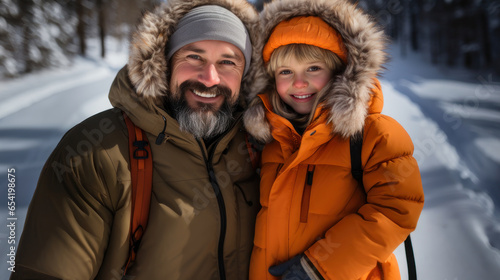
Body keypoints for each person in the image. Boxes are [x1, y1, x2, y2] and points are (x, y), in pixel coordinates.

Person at [12, 0, 263, 279]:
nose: (209, 78)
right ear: (163, 63)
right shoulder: (96, 153)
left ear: (246, 75)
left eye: (228, 62)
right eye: (194, 57)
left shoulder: (264, 147)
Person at [243, 0, 425, 279]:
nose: (299, 83)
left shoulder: (373, 134)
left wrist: (318, 269)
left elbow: (397, 207)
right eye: (285, 72)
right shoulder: (271, 139)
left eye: (313, 68)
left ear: (339, 71)